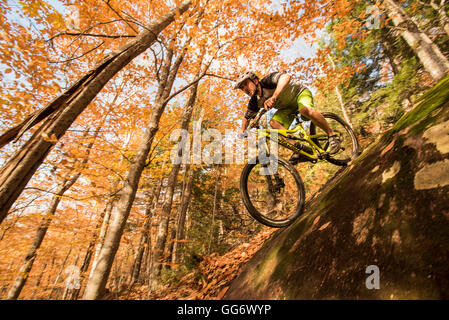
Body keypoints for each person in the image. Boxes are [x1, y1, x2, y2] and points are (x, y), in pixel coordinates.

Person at [234, 71, 341, 164]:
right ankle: (300, 149)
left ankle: (332, 136)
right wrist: (242, 130)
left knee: (305, 111)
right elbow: (247, 117)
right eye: (242, 88)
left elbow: (286, 77)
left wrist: (274, 97)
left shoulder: (267, 81)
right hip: (287, 108)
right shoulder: (254, 101)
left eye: (245, 84)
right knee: (273, 124)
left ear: (255, 81)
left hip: (299, 93)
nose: (244, 89)